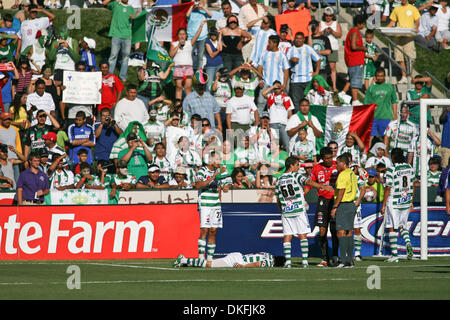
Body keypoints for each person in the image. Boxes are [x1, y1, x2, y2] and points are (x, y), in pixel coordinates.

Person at [275, 156, 333, 268]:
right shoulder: (296, 175)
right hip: (298, 209)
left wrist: (281, 210)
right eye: (297, 165)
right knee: (302, 234)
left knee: (287, 235)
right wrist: (322, 186)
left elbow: (277, 197)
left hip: (286, 211)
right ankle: (305, 261)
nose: (298, 167)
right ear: (291, 165)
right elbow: (308, 182)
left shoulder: (280, 179)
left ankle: (288, 262)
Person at [381, 147, 415, 262]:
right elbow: (413, 184)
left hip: (394, 201)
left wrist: (383, 204)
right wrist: (411, 201)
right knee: (402, 225)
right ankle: (408, 243)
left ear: (393, 157)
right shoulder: (409, 168)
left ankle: (394, 255)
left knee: (391, 226)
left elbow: (388, 187)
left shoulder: (392, 169)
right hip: (405, 200)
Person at [309, 146, 339, 266]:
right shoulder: (317, 167)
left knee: (335, 230)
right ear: (322, 159)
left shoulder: (337, 165)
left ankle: (335, 256)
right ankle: (325, 258)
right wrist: (322, 186)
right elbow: (309, 181)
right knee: (322, 230)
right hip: (322, 201)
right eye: (327, 158)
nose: (329, 160)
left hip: (335, 201)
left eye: (331, 157)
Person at [194, 151, 227, 262]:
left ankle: (209, 260)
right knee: (204, 230)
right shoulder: (202, 171)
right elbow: (198, 185)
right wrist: (213, 177)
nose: (219, 162)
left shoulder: (219, 172)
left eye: (220, 159)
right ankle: (200, 258)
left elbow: (225, 183)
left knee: (213, 231)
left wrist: (226, 186)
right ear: (211, 160)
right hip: (205, 204)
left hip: (216, 204)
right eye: (217, 159)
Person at [329, 154, 358, 268]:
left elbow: (341, 191)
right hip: (351, 205)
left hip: (343, 205)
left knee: (340, 232)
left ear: (344, 163)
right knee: (349, 232)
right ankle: (349, 260)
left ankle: (343, 260)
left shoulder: (342, 175)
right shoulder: (352, 174)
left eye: (337, 163)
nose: (336, 165)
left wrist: (335, 207)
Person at [170, 21, 208, 100]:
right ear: (177, 35)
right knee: (179, 86)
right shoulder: (174, 44)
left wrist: (201, 26)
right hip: (178, 67)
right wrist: (178, 45)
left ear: (186, 36)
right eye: (180, 34)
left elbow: (196, 36)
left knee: (188, 86)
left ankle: (189, 103)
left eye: (183, 34)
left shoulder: (189, 43)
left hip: (188, 67)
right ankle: (178, 104)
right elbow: (171, 54)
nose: (182, 36)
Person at [387, 0, 421, 84]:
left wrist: (416, 27)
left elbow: (417, 21)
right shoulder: (397, 9)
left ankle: (409, 76)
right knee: (399, 57)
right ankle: (404, 76)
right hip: (399, 36)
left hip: (408, 37)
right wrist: (384, 29)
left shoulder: (413, 8)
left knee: (410, 58)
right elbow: (392, 22)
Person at [364, 68, 399, 148]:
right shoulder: (371, 88)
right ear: (375, 77)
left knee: (386, 137)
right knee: (370, 136)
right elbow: (366, 103)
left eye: (381, 76)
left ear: (385, 76)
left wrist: (395, 115)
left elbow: (394, 101)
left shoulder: (390, 87)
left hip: (386, 116)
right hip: (373, 117)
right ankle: (365, 155)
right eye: (378, 76)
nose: (380, 78)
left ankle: (386, 155)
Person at [255, 35, 290, 114]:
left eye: (269, 43)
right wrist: (260, 80)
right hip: (266, 84)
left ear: (275, 44)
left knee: (278, 105)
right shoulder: (264, 54)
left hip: (277, 86)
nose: (268, 44)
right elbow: (259, 68)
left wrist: (284, 84)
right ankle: (257, 123)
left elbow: (286, 71)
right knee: (260, 103)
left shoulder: (282, 55)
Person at [286, 32, 321, 110]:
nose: (298, 40)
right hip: (295, 80)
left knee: (309, 102)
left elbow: (318, 59)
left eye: (300, 38)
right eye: (297, 38)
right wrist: (291, 60)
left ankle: (309, 119)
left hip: (308, 79)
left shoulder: (308, 48)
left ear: (303, 39)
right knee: (297, 102)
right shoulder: (291, 49)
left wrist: (316, 72)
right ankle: (298, 120)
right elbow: (285, 62)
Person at [103, 0, 135, 83]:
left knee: (125, 57)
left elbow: (134, 21)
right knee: (113, 56)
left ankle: (123, 75)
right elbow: (104, 3)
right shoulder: (115, 4)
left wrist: (133, 18)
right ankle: (109, 75)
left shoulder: (131, 8)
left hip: (127, 35)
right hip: (116, 34)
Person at [261, 80, 293, 152]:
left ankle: (288, 160)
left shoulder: (287, 98)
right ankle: (274, 160)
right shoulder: (270, 96)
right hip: (273, 123)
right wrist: (273, 87)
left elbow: (290, 113)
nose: (276, 89)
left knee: (286, 144)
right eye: (275, 88)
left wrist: (289, 124)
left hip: (283, 124)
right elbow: (263, 93)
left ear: (281, 88)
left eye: (278, 88)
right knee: (274, 145)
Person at [343, 14, 367, 106]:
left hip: (354, 60)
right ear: (359, 23)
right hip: (355, 60)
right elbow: (353, 46)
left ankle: (343, 94)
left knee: (352, 79)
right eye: (363, 24)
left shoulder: (353, 31)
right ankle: (355, 100)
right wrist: (363, 48)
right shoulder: (355, 32)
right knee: (356, 81)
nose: (363, 26)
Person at [319, 7, 342, 92]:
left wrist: (332, 31)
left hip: (333, 47)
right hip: (323, 48)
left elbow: (339, 35)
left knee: (333, 68)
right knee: (322, 67)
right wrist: (323, 32)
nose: (328, 17)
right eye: (327, 16)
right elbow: (317, 34)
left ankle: (334, 86)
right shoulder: (321, 23)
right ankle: (322, 85)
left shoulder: (336, 23)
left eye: (330, 16)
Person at [173, 251, 286, 268]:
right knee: (209, 264)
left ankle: (185, 261)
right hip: (237, 261)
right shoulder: (270, 262)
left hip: (238, 255)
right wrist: (243, 266)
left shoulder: (268, 254)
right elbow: (258, 263)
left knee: (210, 263)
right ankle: (183, 260)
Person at [186, 0, 212, 71]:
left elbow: (210, 15)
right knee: (190, 55)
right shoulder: (191, 12)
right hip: (191, 37)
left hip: (202, 37)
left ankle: (199, 70)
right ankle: (189, 69)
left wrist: (203, 7)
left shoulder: (203, 12)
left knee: (200, 56)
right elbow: (187, 15)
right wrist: (192, 5)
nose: (197, 3)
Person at [204, 27, 223, 91]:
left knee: (219, 83)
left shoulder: (219, 41)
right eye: (212, 34)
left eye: (215, 34)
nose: (213, 36)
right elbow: (211, 55)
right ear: (210, 35)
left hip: (220, 65)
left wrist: (220, 37)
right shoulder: (207, 42)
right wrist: (218, 51)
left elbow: (221, 48)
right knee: (209, 84)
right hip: (210, 66)